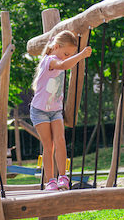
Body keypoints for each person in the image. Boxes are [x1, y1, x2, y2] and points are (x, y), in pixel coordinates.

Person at [30, 30, 92, 190]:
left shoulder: (60, 58)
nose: (66, 57)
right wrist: (81, 55)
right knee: (48, 146)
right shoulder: (49, 60)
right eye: (66, 53)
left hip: (55, 110)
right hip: (40, 110)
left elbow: (66, 63)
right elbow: (64, 65)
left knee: (60, 141)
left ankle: (62, 176)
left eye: (69, 54)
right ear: (56, 47)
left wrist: (75, 55)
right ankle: (50, 180)